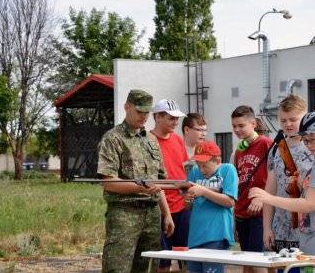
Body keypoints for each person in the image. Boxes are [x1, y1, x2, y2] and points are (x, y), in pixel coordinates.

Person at [249, 111, 315, 272]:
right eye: (305, 140)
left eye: (313, 139)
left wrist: (268, 198)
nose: (309, 145)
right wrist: (302, 185)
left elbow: (309, 204)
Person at [97, 89, 175, 273]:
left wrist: (167, 213)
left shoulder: (150, 140)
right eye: (139, 111)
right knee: (118, 267)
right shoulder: (113, 138)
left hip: (152, 214)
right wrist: (140, 188)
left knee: (148, 266)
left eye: (147, 112)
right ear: (127, 107)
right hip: (125, 213)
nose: (144, 116)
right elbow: (109, 181)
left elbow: (159, 182)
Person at [259, 95, 314, 273]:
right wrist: (267, 227)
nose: (288, 124)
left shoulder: (314, 147)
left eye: (293, 119)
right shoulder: (277, 148)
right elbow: (270, 189)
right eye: (283, 120)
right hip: (281, 227)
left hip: (308, 229)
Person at [184, 140, 238, 273]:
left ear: (217, 160)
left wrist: (203, 191)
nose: (201, 170)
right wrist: (187, 199)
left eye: (205, 165)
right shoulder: (195, 172)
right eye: (198, 165)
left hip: (217, 234)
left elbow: (229, 201)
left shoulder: (227, 169)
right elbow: (187, 207)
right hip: (195, 235)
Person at [231, 105, 273, 273]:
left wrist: (263, 198)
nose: (237, 129)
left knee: (258, 261)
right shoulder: (239, 150)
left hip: (259, 212)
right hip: (242, 210)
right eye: (234, 126)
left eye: (241, 126)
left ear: (253, 124)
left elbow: (275, 176)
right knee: (247, 262)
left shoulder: (266, 144)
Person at [151, 99, 190, 272]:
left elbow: (183, 168)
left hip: (182, 206)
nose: (175, 122)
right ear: (157, 117)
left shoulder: (178, 139)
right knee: (163, 260)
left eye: (177, 118)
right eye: (170, 118)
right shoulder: (148, 140)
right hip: (159, 206)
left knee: (186, 256)